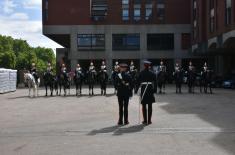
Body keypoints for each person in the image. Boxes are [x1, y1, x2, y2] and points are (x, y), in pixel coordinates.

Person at [135, 60, 157, 125]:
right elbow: (155, 82)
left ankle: (145, 120)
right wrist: (154, 90)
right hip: (150, 89)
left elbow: (137, 82)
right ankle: (149, 120)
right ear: (149, 66)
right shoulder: (152, 73)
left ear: (144, 65)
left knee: (144, 106)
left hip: (144, 89)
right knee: (150, 106)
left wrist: (136, 90)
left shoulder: (141, 73)